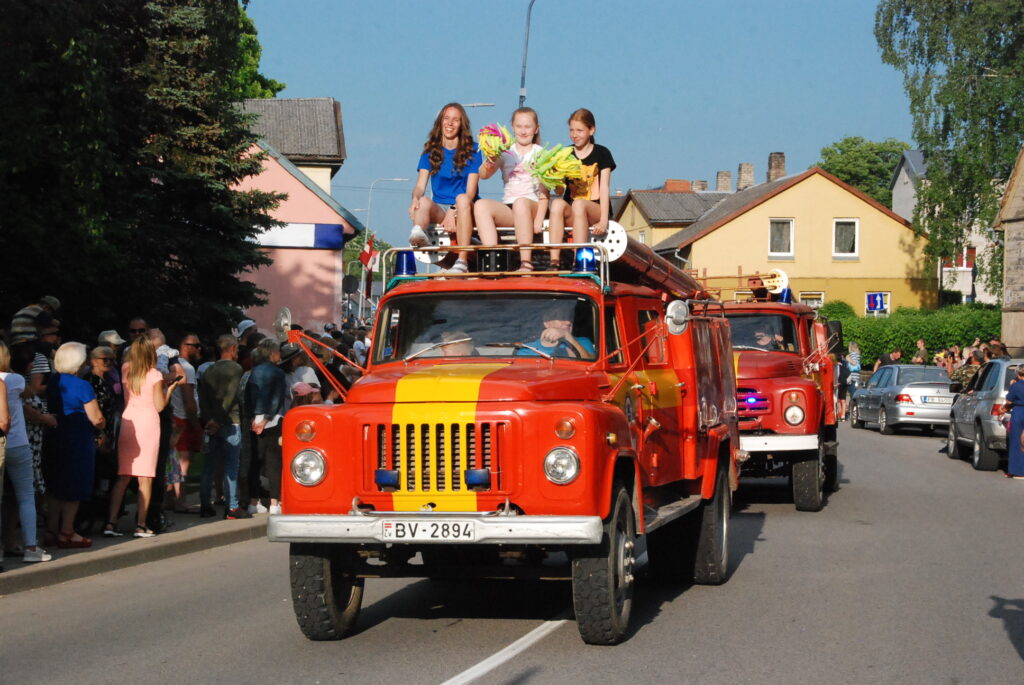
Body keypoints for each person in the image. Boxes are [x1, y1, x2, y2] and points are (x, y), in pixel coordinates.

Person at [106, 338, 181, 538]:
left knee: (123, 475)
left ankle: (111, 522)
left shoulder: (125, 369)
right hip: (148, 423)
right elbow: (158, 406)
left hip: (129, 421)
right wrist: (169, 390)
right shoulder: (154, 374)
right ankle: (140, 524)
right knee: (145, 477)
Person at [408, 103, 482, 275]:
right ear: (440, 122)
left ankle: (462, 261)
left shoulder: (474, 149)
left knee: (462, 200)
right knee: (423, 201)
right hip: (440, 209)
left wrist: (453, 210)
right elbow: (420, 186)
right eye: (446, 118)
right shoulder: (430, 150)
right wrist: (415, 199)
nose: (450, 123)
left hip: (464, 207)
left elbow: (471, 191)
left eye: (455, 120)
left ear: (461, 124)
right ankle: (417, 233)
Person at [44, 342, 105, 548]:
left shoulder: (54, 381)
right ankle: (67, 531)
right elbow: (96, 418)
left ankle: (51, 530)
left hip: (54, 435)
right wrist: (103, 426)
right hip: (77, 438)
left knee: (55, 485)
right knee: (75, 484)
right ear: (79, 363)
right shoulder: (82, 385)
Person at [475, 107, 548, 272]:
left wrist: (539, 219)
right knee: (481, 206)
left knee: (521, 203)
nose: (523, 131)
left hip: (532, 205)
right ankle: (492, 259)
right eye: (519, 126)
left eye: (527, 127)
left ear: (535, 129)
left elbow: (545, 192)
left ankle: (526, 263)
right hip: (510, 207)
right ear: (513, 127)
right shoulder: (506, 152)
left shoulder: (541, 153)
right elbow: (483, 174)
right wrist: (492, 156)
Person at [0, 342, 51, 562]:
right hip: (18, 442)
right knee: (25, 496)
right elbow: (29, 391)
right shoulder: (15, 380)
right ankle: (31, 547)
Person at [547, 108, 617, 265]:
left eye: (579, 130)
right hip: (574, 210)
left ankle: (580, 259)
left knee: (579, 203)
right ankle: (554, 260)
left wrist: (604, 220)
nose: (574, 134)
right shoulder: (565, 153)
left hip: (594, 209)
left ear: (591, 130)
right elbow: (559, 190)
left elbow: (604, 187)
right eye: (571, 130)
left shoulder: (602, 153)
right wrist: (552, 178)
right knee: (557, 203)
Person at [198, 335, 248, 519]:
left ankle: (205, 504)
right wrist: (218, 419)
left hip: (211, 423)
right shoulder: (236, 368)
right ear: (233, 348)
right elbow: (231, 395)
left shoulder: (209, 370)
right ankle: (232, 506)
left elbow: (202, 398)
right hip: (230, 421)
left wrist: (208, 420)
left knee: (209, 465)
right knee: (231, 465)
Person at [245, 339, 288, 515]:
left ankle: (253, 502)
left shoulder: (253, 372)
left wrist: (253, 419)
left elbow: (248, 396)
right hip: (272, 421)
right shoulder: (278, 372)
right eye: (278, 351)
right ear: (272, 353)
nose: (280, 354)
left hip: (254, 419)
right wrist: (266, 419)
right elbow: (277, 398)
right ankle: (274, 503)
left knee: (255, 462)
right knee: (274, 463)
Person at [168, 333, 202, 512]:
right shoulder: (186, 368)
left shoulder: (173, 364)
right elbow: (189, 399)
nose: (199, 349)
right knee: (184, 463)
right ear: (184, 346)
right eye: (195, 345)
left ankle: (170, 500)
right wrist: (196, 424)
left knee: (173, 462)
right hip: (183, 419)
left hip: (175, 418)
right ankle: (181, 501)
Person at [517, 303, 595, 359]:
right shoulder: (528, 350)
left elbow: (592, 363)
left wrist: (567, 336)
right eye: (562, 317)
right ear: (546, 323)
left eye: (570, 318)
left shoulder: (582, 342)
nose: (568, 322)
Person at [1001, 366, 1024, 479]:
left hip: (1019, 411)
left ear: (1018, 374)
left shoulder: (1016, 386)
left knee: (1016, 442)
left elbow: (1009, 401)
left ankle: (1017, 471)